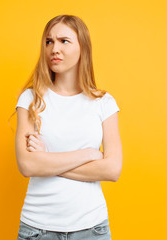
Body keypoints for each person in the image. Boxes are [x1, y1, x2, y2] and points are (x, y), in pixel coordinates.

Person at [13, 14, 122, 240]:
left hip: (92, 229)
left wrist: (46, 160)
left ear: (82, 47)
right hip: (37, 229)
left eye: (64, 41)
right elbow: (27, 165)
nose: (54, 48)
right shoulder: (31, 99)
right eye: (49, 41)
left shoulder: (104, 103)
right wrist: (89, 155)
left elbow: (111, 170)